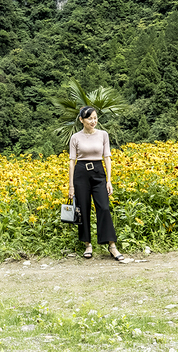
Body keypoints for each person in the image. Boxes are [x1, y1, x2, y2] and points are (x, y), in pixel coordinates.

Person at [68, 106, 125, 262]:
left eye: (95, 118)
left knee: (104, 207)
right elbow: (72, 162)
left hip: (99, 172)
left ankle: (112, 245)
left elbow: (107, 157)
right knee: (83, 209)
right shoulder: (75, 138)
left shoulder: (103, 135)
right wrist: (71, 185)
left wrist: (109, 180)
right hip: (80, 174)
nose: (93, 121)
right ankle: (88, 245)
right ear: (81, 120)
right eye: (89, 119)